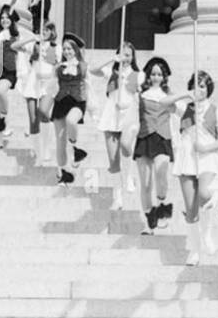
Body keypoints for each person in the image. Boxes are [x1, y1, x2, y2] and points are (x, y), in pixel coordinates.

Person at [173, 69, 218, 266]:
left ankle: (207, 235)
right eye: (196, 85)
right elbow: (164, 103)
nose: (200, 89)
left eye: (203, 86)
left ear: (209, 89)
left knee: (205, 195)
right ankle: (194, 250)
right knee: (190, 209)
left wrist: (206, 147)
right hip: (187, 157)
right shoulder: (185, 107)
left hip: (207, 157)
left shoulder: (216, 110)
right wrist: (185, 95)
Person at [92, 41, 141, 211]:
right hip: (111, 116)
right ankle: (117, 197)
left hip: (128, 116)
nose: (125, 58)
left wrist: (129, 106)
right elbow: (93, 70)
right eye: (122, 54)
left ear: (133, 57)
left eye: (128, 55)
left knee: (126, 148)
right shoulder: (112, 72)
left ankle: (129, 176)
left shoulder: (138, 74)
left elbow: (142, 96)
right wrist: (111, 59)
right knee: (113, 160)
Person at [135, 56, 178, 235]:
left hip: (162, 138)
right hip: (145, 137)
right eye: (153, 74)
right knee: (145, 183)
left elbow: (179, 111)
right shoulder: (141, 95)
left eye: (159, 74)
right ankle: (149, 220)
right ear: (148, 75)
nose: (156, 77)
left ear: (164, 77)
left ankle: (161, 205)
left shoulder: (168, 96)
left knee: (162, 170)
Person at [0, 6, 37, 150]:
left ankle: (4, 119)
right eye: (2, 18)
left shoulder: (17, 34)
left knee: (0, 91)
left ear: (12, 20)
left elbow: (19, 47)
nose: (4, 20)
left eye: (7, 17)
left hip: (9, 70)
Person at [18, 20, 60, 166]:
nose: (44, 32)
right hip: (33, 82)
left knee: (42, 111)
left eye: (47, 30)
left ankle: (47, 146)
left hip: (47, 84)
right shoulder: (35, 45)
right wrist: (32, 38)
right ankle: (38, 153)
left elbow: (59, 65)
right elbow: (15, 46)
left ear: (52, 32)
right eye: (42, 29)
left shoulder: (56, 47)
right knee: (33, 120)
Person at [50, 33, 89, 186]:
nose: (67, 52)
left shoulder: (83, 66)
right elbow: (51, 86)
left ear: (76, 50)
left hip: (77, 102)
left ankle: (75, 149)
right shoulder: (59, 67)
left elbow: (89, 86)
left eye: (70, 49)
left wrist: (93, 108)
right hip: (60, 102)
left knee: (71, 121)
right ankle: (63, 173)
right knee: (60, 141)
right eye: (65, 49)